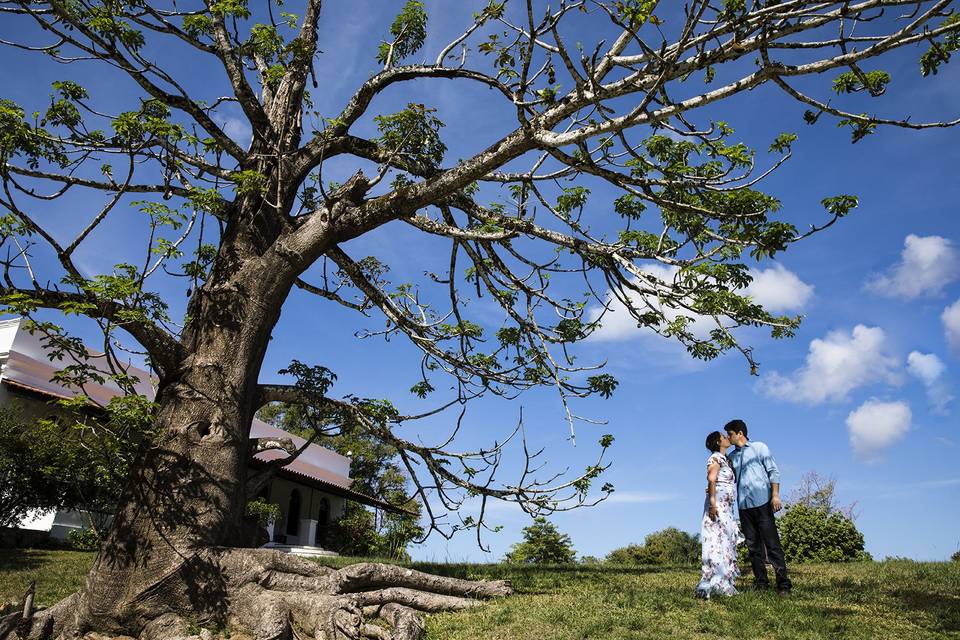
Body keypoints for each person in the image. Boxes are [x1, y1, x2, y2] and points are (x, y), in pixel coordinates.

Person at [725, 419, 792, 596]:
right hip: (744, 506)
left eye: (730, 434)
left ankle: (783, 584)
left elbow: (773, 471)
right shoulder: (731, 458)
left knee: (772, 545)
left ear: (740, 433)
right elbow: (726, 479)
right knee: (753, 547)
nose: (728, 437)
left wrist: (775, 496)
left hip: (762, 502)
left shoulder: (760, 448)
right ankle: (761, 583)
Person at [695, 430, 743, 599]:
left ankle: (723, 582)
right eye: (723, 437)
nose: (726, 438)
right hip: (718, 506)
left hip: (727, 507)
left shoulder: (725, 460)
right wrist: (713, 504)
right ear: (717, 442)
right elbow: (712, 477)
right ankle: (712, 582)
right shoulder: (715, 457)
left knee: (725, 540)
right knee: (716, 540)